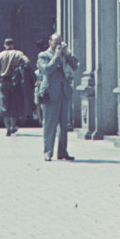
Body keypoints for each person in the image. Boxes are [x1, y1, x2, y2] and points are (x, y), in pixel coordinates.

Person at [36, 32, 79, 161]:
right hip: (50, 93)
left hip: (64, 92)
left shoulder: (65, 54)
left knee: (64, 125)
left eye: (60, 42)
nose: (58, 45)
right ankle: (48, 152)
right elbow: (47, 70)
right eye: (56, 42)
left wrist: (67, 54)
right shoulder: (43, 55)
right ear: (50, 42)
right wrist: (56, 56)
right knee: (49, 124)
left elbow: (75, 66)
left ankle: (62, 152)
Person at [0, 38, 34, 136]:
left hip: (3, 82)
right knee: (14, 105)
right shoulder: (18, 53)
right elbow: (27, 62)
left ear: (5, 45)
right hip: (15, 82)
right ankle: (13, 126)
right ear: (13, 45)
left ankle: (8, 128)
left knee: (4, 105)